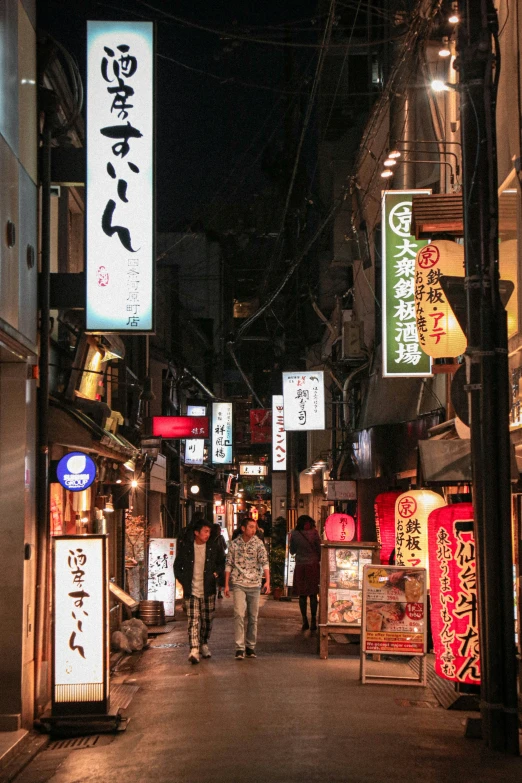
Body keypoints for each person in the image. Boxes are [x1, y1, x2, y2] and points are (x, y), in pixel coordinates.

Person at [174, 518, 225, 664]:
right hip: (192, 589)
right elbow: (177, 566)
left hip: (208, 589)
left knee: (207, 620)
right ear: (196, 533)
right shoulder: (187, 548)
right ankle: (194, 649)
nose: (208, 534)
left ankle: (203, 643)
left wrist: (216, 574)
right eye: (205, 531)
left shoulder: (213, 547)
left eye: (209, 531)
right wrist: (183, 580)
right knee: (193, 620)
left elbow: (222, 562)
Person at [224, 517, 270, 659]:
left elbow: (265, 562)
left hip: (255, 583)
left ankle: (250, 646)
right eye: (250, 527)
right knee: (238, 613)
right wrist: (226, 584)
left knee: (253, 616)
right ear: (243, 528)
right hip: (238, 582)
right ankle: (239, 648)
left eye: (254, 527)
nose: (253, 529)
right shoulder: (234, 544)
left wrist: (267, 581)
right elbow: (229, 564)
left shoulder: (258, 544)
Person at [290, 515, 321, 632]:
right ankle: (313, 620)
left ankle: (304, 620)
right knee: (313, 594)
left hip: (300, 566)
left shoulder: (295, 534)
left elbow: (292, 551)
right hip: (313, 566)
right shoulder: (315, 533)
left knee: (302, 595)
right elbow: (319, 549)